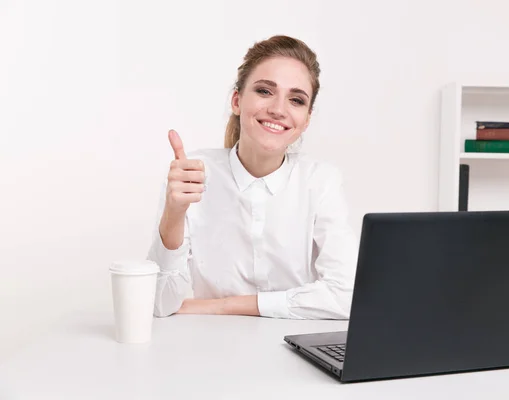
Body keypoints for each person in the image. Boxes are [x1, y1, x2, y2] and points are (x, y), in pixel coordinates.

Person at [147, 35, 358, 320]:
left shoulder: (321, 182)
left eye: (296, 100)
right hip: (209, 348)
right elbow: (161, 303)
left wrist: (221, 306)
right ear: (237, 100)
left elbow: (346, 297)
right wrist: (174, 213)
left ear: (306, 119)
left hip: (294, 349)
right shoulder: (191, 174)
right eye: (264, 91)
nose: (279, 109)